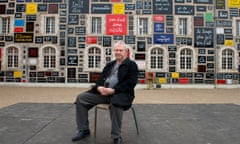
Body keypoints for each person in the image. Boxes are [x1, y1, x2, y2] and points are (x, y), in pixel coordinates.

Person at [72, 41, 139, 144]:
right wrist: (99, 87)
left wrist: (114, 90)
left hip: (121, 94)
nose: (118, 52)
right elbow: (100, 79)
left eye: (120, 50)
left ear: (125, 52)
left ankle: (116, 136)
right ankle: (84, 129)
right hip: (104, 94)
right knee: (81, 98)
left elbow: (131, 83)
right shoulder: (110, 65)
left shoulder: (131, 65)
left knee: (116, 103)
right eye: (116, 50)